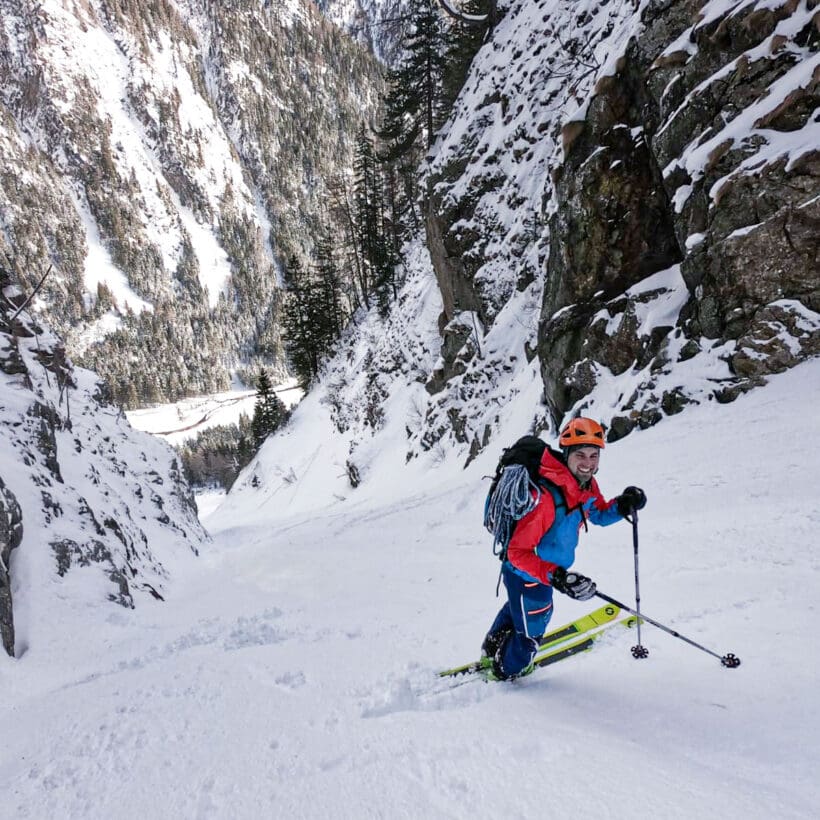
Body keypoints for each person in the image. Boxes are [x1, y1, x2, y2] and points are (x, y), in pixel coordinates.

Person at [481, 417, 646, 680]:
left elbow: (598, 513)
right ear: (566, 454)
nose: (588, 463)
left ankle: (491, 648)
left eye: (594, 455)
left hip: (543, 572)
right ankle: (505, 670)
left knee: (518, 609)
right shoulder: (547, 498)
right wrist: (556, 576)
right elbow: (517, 552)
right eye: (580, 454)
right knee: (530, 636)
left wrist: (623, 505)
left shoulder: (586, 486)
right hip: (528, 574)